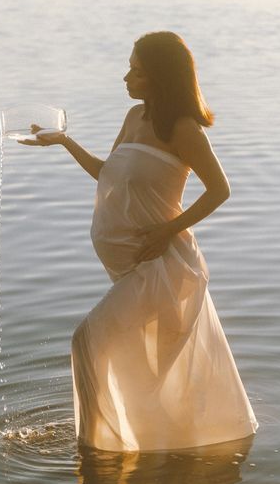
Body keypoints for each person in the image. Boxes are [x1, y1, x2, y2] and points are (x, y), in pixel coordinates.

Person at [19, 31, 258, 452]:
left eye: (136, 70)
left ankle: (97, 450)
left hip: (165, 265)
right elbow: (106, 173)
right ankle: (153, 446)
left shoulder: (183, 130)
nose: (125, 77)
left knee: (87, 341)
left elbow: (220, 190)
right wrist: (64, 142)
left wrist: (167, 229)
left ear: (159, 77)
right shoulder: (133, 118)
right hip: (129, 268)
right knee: (146, 367)